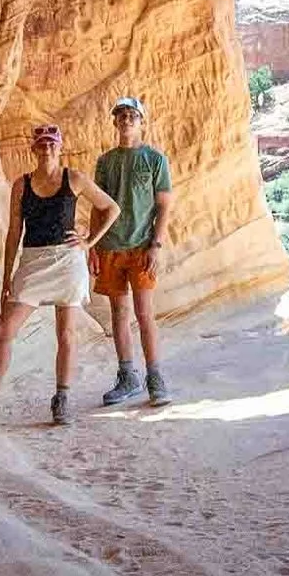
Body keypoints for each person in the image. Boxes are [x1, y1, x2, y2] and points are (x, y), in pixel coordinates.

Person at [0, 123, 118, 427]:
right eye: (41, 144)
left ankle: (62, 399)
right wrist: (5, 279)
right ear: (34, 149)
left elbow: (111, 208)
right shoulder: (22, 184)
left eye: (52, 143)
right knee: (5, 329)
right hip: (33, 260)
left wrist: (89, 241)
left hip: (67, 261)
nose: (47, 148)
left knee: (66, 333)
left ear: (60, 147)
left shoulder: (74, 178)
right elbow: (14, 232)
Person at [92, 95, 174, 406]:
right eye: (121, 115)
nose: (126, 120)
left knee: (143, 314)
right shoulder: (106, 162)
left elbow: (164, 206)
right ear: (114, 121)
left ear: (141, 121)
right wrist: (92, 245)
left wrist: (156, 245)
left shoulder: (154, 160)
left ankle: (154, 376)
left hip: (141, 247)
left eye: (132, 115)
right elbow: (99, 208)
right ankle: (128, 376)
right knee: (119, 313)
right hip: (111, 247)